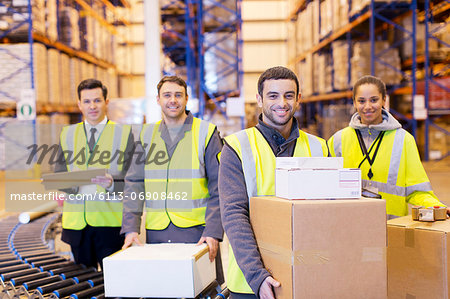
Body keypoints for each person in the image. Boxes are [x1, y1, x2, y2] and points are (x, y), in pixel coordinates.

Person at [219, 66, 328, 299]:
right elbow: (233, 214)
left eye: (289, 95)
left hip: (308, 276)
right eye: (273, 95)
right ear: (259, 99)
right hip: (251, 285)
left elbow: (327, 214)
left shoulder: (319, 147)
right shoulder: (237, 147)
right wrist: (257, 276)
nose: (282, 103)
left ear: (299, 99)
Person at [121, 75, 224, 284]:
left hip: (197, 233)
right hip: (157, 232)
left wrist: (213, 231)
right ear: (158, 99)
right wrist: (131, 228)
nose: (173, 100)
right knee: (162, 288)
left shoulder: (206, 132)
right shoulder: (145, 135)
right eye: (167, 95)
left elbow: (220, 187)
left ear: (186, 99)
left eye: (178, 95)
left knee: (202, 290)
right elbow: (134, 184)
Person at [328, 75, 448, 218]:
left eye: (374, 100)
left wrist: (438, 207)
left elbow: (417, 190)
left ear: (384, 100)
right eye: (361, 101)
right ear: (354, 102)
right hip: (349, 225)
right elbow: (327, 187)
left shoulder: (404, 140)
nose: (367, 106)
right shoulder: (338, 140)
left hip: (390, 229)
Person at [55, 79, 135, 269]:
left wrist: (112, 184)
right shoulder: (67, 134)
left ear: (106, 102)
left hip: (110, 226)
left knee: (115, 288)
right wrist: (67, 182)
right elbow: (59, 172)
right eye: (87, 101)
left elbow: (133, 180)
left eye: (97, 100)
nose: (92, 106)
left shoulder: (124, 134)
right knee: (84, 287)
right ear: (79, 104)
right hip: (77, 227)